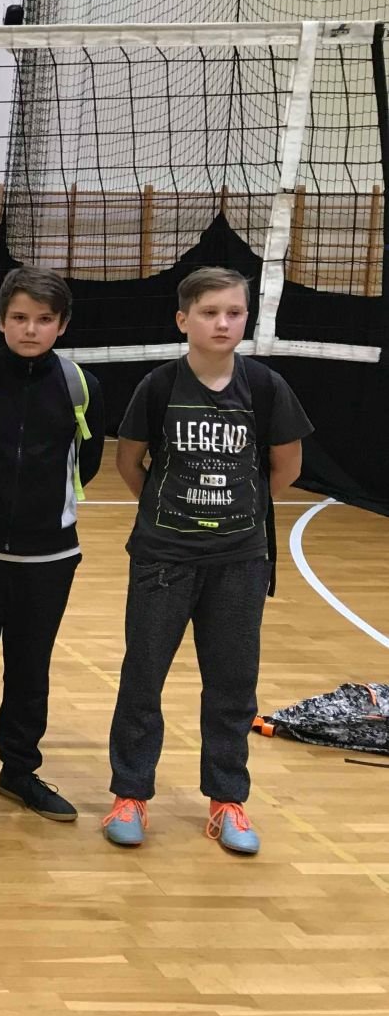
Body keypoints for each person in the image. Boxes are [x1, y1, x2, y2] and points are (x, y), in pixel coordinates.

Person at [103, 266, 309, 856]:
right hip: (163, 558)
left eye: (234, 312)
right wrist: (170, 512)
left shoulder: (265, 387)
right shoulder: (159, 386)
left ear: (246, 318)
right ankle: (130, 794)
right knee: (143, 678)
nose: (223, 323)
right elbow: (130, 462)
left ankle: (227, 800)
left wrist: (237, 512)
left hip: (238, 561)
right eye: (210, 312)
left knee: (233, 685)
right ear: (183, 319)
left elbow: (286, 467)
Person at [0, 266, 105, 822]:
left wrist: (42, 511)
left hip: (49, 556)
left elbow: (87, 462)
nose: (31, 329)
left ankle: (19, 771)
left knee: (31, 669)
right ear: (2, 320)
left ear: (62, 324)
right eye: (20, 318)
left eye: (44, 319)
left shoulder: (80, 386)